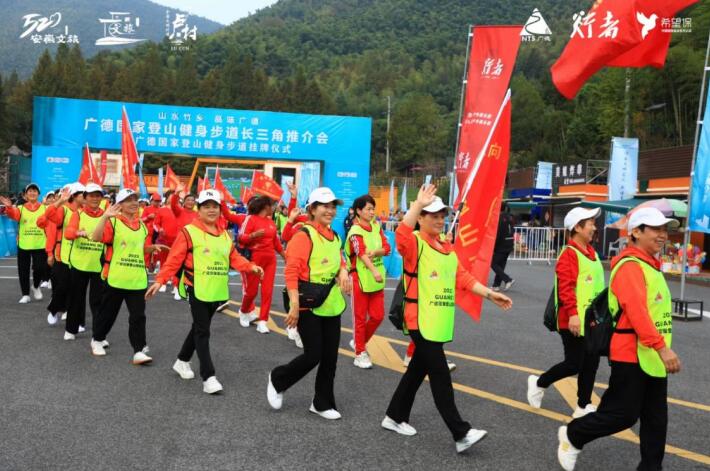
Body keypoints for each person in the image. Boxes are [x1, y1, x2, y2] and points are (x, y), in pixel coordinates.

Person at [382, 185, 512, 453]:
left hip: (437, 321)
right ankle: (461, 433)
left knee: (417, 370)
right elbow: (401, 235)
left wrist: (490, 294)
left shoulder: (446, 248)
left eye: (442, 215)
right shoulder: (414, 242)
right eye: (433, 215)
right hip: (419, 319)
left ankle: (394, 416)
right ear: (421, 218)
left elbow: (462, 277)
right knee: (440, 374)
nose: (440, 219)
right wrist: (417, 204)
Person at [557, 208, 681, 471]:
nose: (662, 235)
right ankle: (573, 434)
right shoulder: (630, 266)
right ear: (635, 232)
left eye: (665, 230)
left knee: (656, 419)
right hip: (632, 354)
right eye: (655, 229)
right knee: (621, 415)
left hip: (652, 357)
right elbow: (637, 312)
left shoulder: (649, 265)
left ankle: (650, 467)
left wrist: (660, 349)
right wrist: (662, 348)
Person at [146, 189, 263, 394]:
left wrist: (250, 266)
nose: (211, 210)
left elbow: (234, 257)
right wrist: (160, 280)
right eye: (206, 206)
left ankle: (182, 360)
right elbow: (174, 259)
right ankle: (208, 377)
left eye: (215, 206)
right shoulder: (188, 232)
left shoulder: (225, 235)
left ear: (220, 210)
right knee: (203, 331)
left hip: (216, 289)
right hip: (196, 288)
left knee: (199, 327)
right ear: (198, 210)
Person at [267, 187, 352, 419]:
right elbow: (291, 271)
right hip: (307, 303)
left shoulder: (334, 236)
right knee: (313, 354)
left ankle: (321, 402)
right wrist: (294, 305)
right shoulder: (303, 236)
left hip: (331, 303)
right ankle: (278, 378)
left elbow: (340, 260)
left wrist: (343, 272)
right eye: (324, 206)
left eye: (333, 206)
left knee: (330, 358)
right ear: (312, 209)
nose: (330, 210)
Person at [527, 208, 604, 418]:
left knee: (591, 362)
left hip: (591, 319)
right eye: (590, 223)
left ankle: (583, 405)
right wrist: (573, 314)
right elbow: (565, 287)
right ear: (577, 227)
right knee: (574, 363)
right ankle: (539, 382)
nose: (594, 228)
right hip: (573, 319)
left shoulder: (592, 253)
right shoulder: (569, 253)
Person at [90, 189, 169, 364]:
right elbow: (96, 238)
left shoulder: (141, 226)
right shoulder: (114, 223)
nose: (133, 203)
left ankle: (138, 350)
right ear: (120, 205)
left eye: (135, 199)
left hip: (137, 278)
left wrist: (153, 247)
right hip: (116, 277)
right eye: (128, 200)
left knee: (138, 316)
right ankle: (97, 339)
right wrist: (104, 217)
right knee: (108, 314)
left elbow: (139, 249)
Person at [344, 194, 391, 369]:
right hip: (360, 278)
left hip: (377, 279)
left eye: (373, 209)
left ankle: (358, 342)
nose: (372, 212)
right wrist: (373, 270)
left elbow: (387, 248)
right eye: (368, 209)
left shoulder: (376, 227)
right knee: (360, 318)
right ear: (358, 211)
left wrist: (376, 253)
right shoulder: (355, 232)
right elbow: (361, 253)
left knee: (378, 316)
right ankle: (359, 353)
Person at [237, 195, 286, 334]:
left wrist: (284, 255)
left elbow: (276, 241)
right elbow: (240, 238)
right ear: (266, 206)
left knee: (268, 291)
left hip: (270, 259)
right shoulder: (250, 219)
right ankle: (244, 311)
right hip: (254, 259)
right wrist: (253, 236)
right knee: (251, 291)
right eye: (273, 205)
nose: (275, 207)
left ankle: (263, 321)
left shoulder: (270, 222)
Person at [63, 183, 106, 341]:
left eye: (98, 195)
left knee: (98, 302)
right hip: (79, 263)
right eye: (91, 196)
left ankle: (99, 335)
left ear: (102, 198)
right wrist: (77, 232)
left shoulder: (107, 216)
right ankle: (70, 329)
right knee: (76, 298)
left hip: (99, 265)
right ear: (85, 198)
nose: (95, 198)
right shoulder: (78, 214)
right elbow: (68, 233)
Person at [43, 183, 85, 325]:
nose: (85, 197)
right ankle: (54, 309)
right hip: (62, 255)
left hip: (80, 255)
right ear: (74, 196)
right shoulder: (64, 210)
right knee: (62, 286)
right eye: (82, 194)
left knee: (77, 289)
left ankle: (76, 319)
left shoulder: (85, 211)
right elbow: (48, 215)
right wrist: (60, 201)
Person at [0, 183, 49, 304]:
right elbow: (13, 216)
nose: (32, 193)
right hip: (24, 244)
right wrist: (10, 207)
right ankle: (25, 294)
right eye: (30, 191)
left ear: (38, 194)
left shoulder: (45, 208)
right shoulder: (20, 208)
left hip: (40, 244)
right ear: (26, 194)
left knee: (40, 268)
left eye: (35, 191)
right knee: (23, 270)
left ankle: (36, 286)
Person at [491, 205, 515, 291]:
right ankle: (496, 285)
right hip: (509, 243)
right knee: (501, 264)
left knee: (493, 263)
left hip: (501, 245)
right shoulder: (510, 217)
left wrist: (493, 246)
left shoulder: (499, 218)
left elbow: (499, 234)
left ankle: (508, 279)